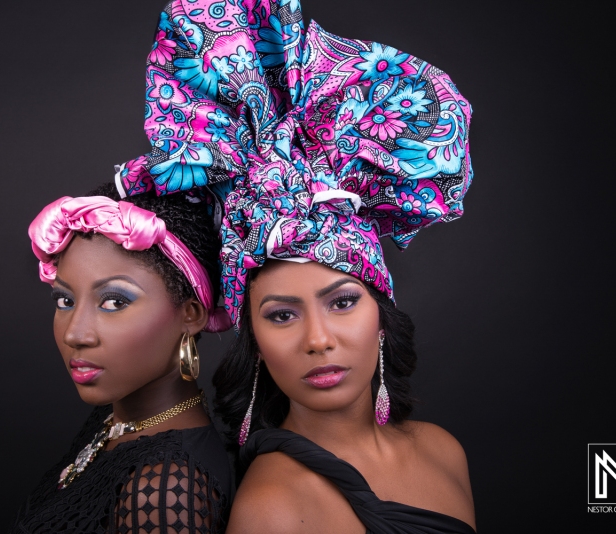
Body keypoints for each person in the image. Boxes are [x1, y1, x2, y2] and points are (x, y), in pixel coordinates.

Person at [172, 0, 474, 531]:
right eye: (282, 315)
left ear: (382, 314)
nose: (318, 340)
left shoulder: (443, 451)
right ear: (254, 340)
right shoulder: (274, 507)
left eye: (342, 301)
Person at [9, 187, 234, 532]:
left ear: (190, 314)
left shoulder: (163, 491)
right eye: (65, 301)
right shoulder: (115, 418)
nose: (75, 334)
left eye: (114, 302)